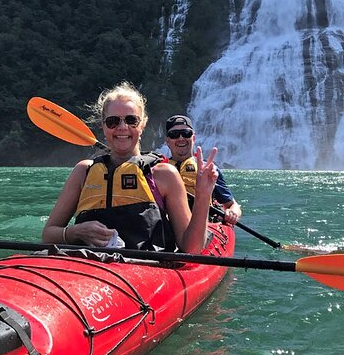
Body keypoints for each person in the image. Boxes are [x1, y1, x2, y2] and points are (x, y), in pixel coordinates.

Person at [42, 82, 219, 254]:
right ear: (103, 127)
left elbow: (191, 248)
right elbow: (48, 235)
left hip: (145, 271)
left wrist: (203, 196)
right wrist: (74, 232)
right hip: (86, 266)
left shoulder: (164, 175)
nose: (122, 127)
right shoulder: (84, 171)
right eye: (113, 121)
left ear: (142, 125)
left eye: (131, 120)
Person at [164, 114, 242, 225]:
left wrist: (233, 213)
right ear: (167, 141)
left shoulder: (210, 170)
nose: (181, 138)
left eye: (186, 133)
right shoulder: (157, 170)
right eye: (174, 134)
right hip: (168, 227)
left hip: (203, 226)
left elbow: (233, 205)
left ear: (193, 138)